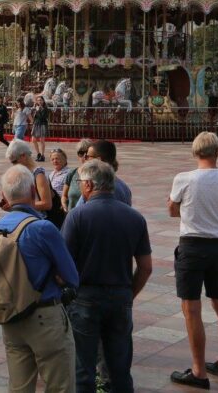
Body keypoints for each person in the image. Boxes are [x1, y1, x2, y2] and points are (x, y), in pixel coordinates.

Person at [62, 160, 153, 393]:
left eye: (81, 182)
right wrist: (129, 293)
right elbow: (145, 267)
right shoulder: (135, 217)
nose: (80, 186)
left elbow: (64, 264)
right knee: (120, 368)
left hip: (85, 297)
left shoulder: (77, 216)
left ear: (90, 185)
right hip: (120, 295)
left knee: (83, 368)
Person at [0, 165, 79, 393]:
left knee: (19, 386)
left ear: (4, 196)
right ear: (34, 192)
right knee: (60, 385)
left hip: (11, 316)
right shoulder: (43, 228)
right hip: (44, 315)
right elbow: (72, 276)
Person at [167, 132, 218, 389]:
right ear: (217, 153)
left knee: (192, 309)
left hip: (192, 245)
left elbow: (172, 209)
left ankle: (198, 371)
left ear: (195, 152)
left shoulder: (184, 178)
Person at [75, 139, 133, 207]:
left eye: (88, 156)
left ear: (98, 160)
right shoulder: (123, 186)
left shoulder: (99, 188)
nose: (85, 159)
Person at [5, 140, 55, 214]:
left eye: (15, 162)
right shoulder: (17, 172)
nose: (14, 165)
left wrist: (18, 206)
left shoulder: (38, 174)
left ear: (23, 156)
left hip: (38, 218)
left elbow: (47, 204)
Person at [62, 139, 92, 212]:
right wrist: (65, 207)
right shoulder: (72, 173)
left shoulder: (98, 175)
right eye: (81, 153)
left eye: (87, 152)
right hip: (71, 216)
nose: (84, 156)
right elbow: (64, 195)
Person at [31, 96, 50, 161]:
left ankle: (42, 155)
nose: (39, 101)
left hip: (42, 124)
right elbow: (34, 116)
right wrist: (34, 110)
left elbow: (43, 117)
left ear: (43, 101)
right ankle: (38, 153)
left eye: (41, 100)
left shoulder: (45, 108)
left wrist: (38, 110)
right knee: (33, 139)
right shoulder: (36, 108)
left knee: (42, 140)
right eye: (38, 100)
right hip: (36, 124)